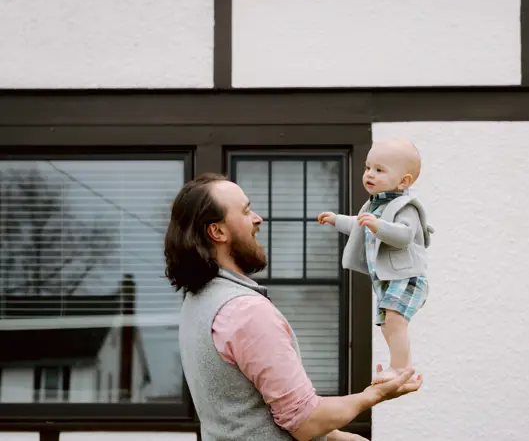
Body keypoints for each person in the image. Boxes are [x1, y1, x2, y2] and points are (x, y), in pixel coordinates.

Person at [165, 172, 422, 441]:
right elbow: (305, 421)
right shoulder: (245, 311)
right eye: (246, 211)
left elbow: (249, 411)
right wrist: (375, 394)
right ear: (217, 231)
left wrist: (337, 438)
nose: (257, 218)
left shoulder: (199, 301)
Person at [318, 139, 433, 385]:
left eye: (379, 170)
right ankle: (400, 366)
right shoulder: (373, 205)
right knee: (387, 325)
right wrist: (336, 219)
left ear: (404, 182)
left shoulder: (406, 207)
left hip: (407, 276)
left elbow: (403, 235)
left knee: (394, 319)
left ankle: (400, 368)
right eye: (368, 167)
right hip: (387, 279)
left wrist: (378, 225)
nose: (369, 174)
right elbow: (358, 226)